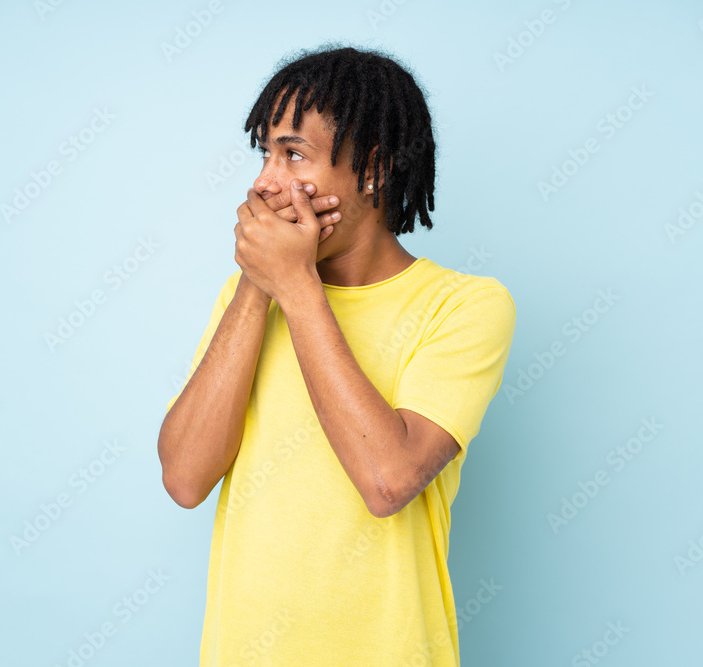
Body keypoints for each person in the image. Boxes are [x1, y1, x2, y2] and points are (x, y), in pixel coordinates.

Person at [158, 42, 517, 666]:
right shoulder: (245, 299)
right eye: (265, 153)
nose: (264, 182)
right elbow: (185, 479)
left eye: (293, 154)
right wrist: (259, 285)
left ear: (372, 168)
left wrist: (294, 284)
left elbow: (387, 480)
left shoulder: (464, 306)